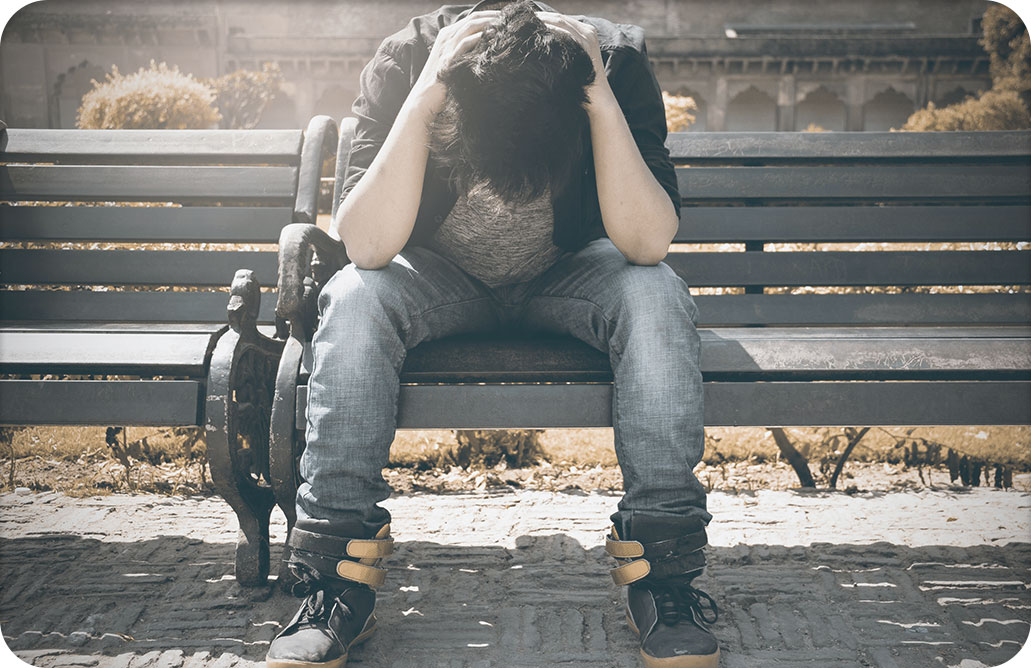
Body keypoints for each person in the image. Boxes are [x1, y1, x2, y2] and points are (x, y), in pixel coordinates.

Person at [265, 1, 719, 667]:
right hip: (438, 274)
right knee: (355, 298)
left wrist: (595, 94)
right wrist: (425, 98)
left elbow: (646, 242)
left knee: (655, 294)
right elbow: (364, 245)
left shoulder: (612, 61)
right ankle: (333, 581)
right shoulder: (408, 58)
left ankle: (664, 578)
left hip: (568, 273)